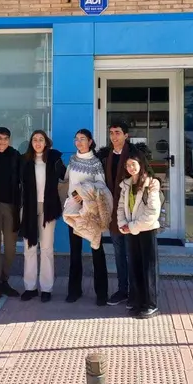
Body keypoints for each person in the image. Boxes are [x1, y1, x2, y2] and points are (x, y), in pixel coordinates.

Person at [63, 129, 110, 306]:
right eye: (77, 139)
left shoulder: (95, 163)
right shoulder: (72, 160)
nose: (79, 142)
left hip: (91, 212)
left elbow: (101, 186)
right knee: (75, 252)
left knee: (97, 251)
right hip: (74, 211)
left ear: (90, 142)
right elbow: (67, 181)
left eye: (83, 139)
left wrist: (83, 192)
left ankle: (102, 293)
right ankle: (74, 290)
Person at [19, 130, 66, 303]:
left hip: (48, 207)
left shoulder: (54, 159)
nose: (37, 142)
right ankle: (30, 287)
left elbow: (66, 177)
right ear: (31, 143)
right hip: (29, 208)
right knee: (29, 248)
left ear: (46, 142)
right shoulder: (25, 161)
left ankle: (46, 288)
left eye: (41, 139)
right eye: (34, 140)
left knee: (46, 249)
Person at [117, 148, 162, 319]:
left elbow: (152, 212)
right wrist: (122, 224)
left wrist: (133, 226)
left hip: (146, 231)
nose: (130, 168)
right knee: (135, 267)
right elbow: (121, 207)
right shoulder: (126, 184)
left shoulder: (151, 184)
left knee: (148, 267)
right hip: (131, 230)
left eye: (133, 164)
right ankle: (138, 302)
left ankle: (151, 304)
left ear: (141, 165)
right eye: (128, 165)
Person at [98, 121, 133, 307]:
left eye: (118, 132)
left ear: (126, 135)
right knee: (119, 253)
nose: (114, 136)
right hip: (113, 213)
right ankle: (122, 290)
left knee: (132, 253)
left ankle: (135, 292)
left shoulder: (135, 155)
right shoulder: (107, 156)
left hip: (131, 213)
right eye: (111, 132)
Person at [0, 127, 22, 304]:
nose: (2, 142)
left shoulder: (15, 156)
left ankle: (4, 280)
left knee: (10, 248)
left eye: (6, 138)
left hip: (11, 206)